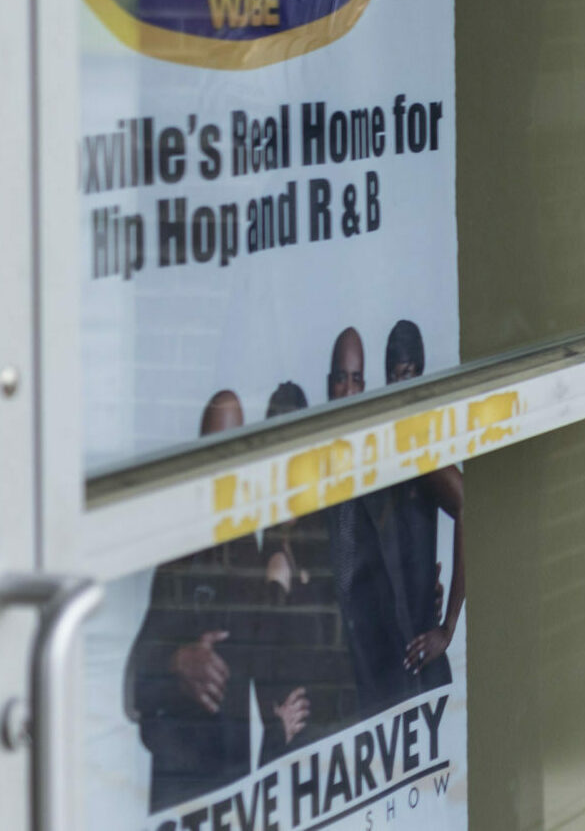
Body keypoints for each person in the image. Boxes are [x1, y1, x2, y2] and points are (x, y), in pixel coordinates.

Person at [125, 393, 280, 809]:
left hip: (245, 780)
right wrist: (174, 662)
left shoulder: (264, 544)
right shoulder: (180, 552)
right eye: (214, 449)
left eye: (234, 449)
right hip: (182, 780)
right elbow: (133, 683)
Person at [254, 381, 360, 761]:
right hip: (296, 746)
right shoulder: (266, 551)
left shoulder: (321, 532)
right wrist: (272, 716)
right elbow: (255, 655)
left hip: (338, 730)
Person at [320, 328, 416, 720]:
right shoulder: (314, 463)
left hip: (384, 659)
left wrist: (427, 589)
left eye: (356, 379)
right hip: (333, 662)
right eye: (341, 378)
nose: (347, 389)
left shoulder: (385, 460)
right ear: (329, 385)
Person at [379, 318, 464, 688]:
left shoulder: (419, 444)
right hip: (387, 650)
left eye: (410, 375)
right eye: (395, 376)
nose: (402, 385)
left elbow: (470, 506)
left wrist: (447, 627)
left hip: (421, 654)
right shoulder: (387, 439)